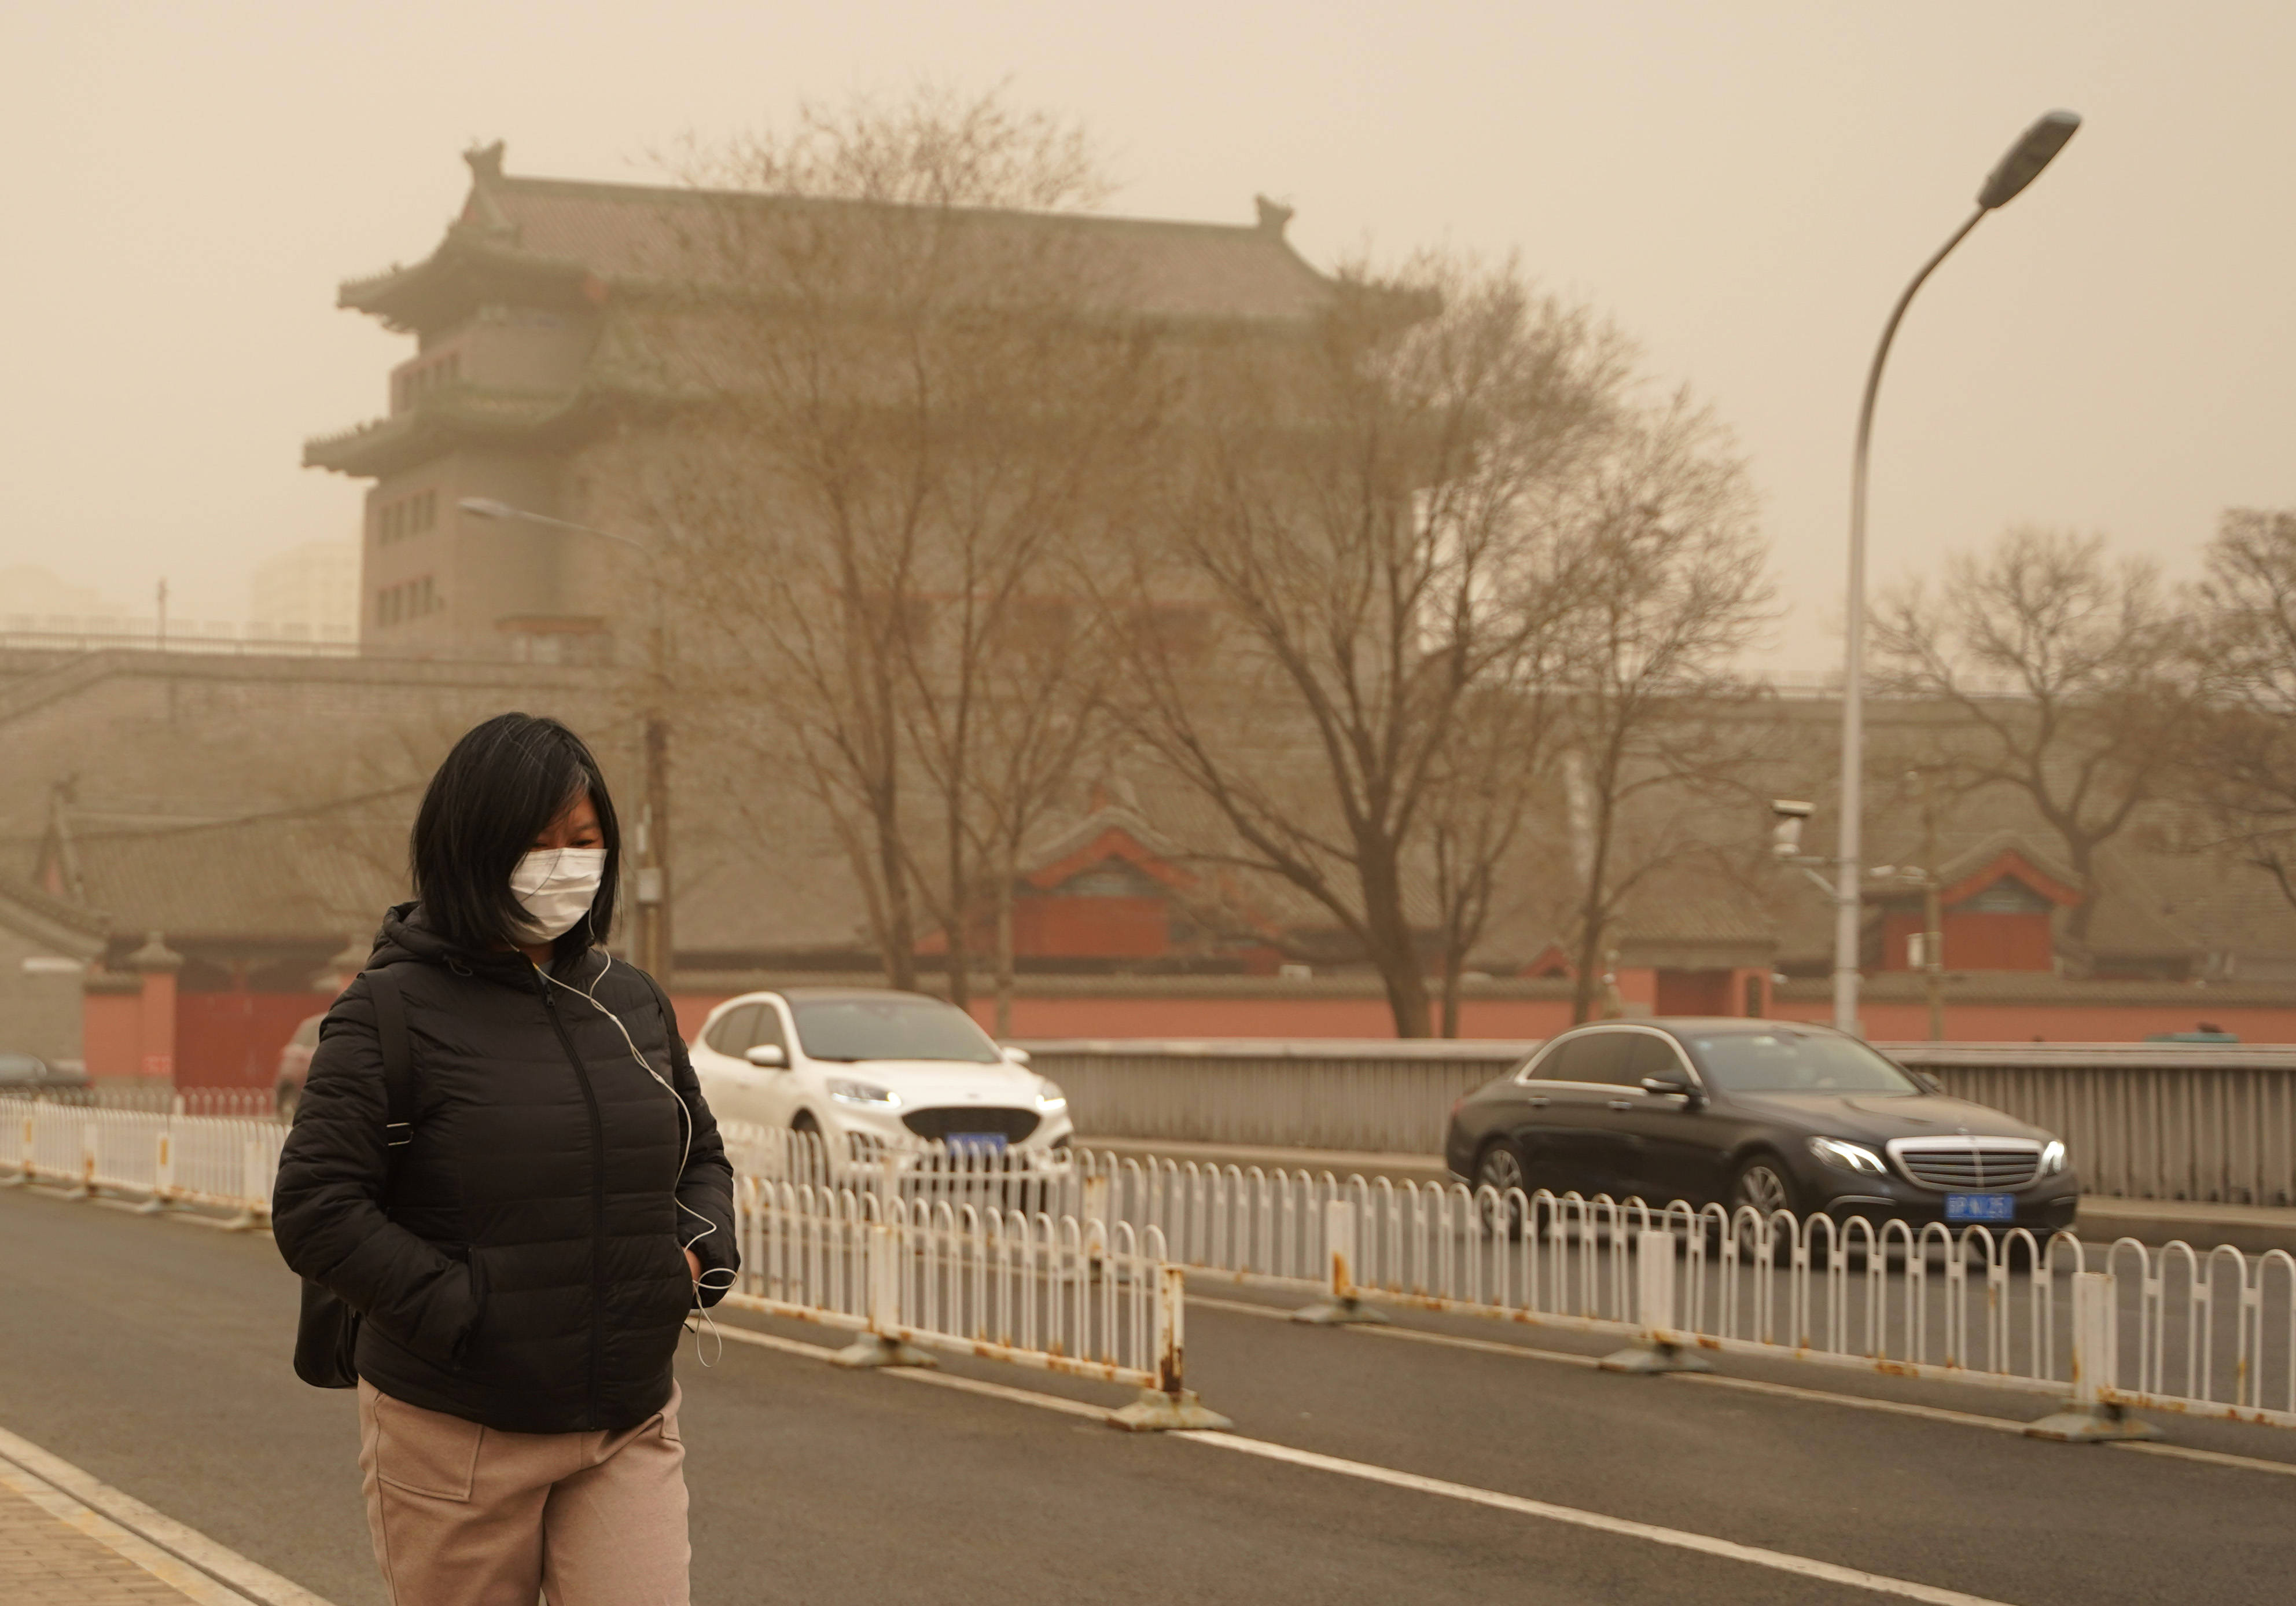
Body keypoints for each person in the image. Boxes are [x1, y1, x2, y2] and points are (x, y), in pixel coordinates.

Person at [274, 712, 737, 1606]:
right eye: (534, 842)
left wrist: (694, 1259)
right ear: (471, 849)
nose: (564, 862)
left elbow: (700, 1156)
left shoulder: (630, 1000)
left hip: (626, 1417)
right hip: (458, 1431)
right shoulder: (390, 1010)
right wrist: (467, 1313)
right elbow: (317, 1207)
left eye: (584, 839)